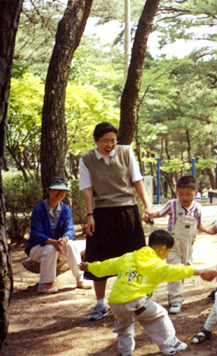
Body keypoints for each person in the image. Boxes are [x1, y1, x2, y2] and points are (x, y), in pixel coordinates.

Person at [79, 230, 204, 356]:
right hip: (136, 302)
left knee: (124, 327)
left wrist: (89, 267)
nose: (167, 256)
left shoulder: (128, 257)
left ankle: (125, 352)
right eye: (168, 252)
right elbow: (178, 270)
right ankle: (170, 345)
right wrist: (201, 272)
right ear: (162, 248)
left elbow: (106, 266)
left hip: (116, 303)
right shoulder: (157, 265)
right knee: (159, 315)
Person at [80, 122, 153, 320]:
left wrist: (147, 205)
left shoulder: (125, 152)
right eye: (106, 141)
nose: (110, 145)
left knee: (133, 258)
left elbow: (137, 180)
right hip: (101, 213)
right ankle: (100, 304)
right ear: (96, 141)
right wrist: (90, 215)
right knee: (98, 260)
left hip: (127, 210)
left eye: (113, 140)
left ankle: (137, 299)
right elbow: (87, 189)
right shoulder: (86, 159)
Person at [149, 175, 206, 314]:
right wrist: (150, 215)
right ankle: (176, 299)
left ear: (196, 193)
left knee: (183, 270)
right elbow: (160, 213)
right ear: (176, 192)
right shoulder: (172, 204)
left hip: (188, 245)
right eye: (181, 194)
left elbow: (199, 225)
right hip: (172, 244)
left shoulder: (197, 208)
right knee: (174, 269)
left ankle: (175, 295)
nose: (184, 198)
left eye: (188, 194)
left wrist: (210, 231)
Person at [25, 177, 92, 293]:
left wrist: (64, 239)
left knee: (70, 244)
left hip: (58, 247)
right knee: (50, 248)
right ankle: (45, 284)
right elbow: (37, 233)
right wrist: (53, 242)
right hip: (37, 248)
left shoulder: (65, 209)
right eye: (56, 190)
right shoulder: (39, 209)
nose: (60, 193)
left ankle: (80, 278)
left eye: (63, 191)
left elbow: (70, 229)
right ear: (48, 191)